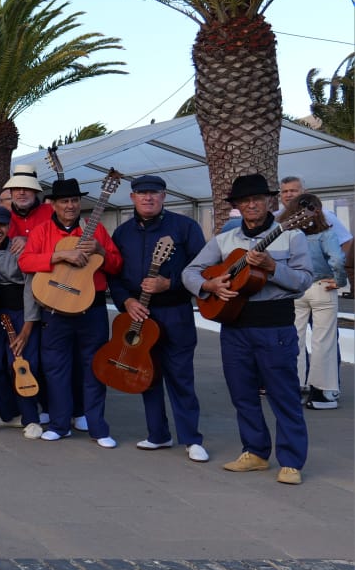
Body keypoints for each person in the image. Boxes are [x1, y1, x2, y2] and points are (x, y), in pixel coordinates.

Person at [185, 174, 313, 484]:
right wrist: (208, 285)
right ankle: (255, 452)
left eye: (257, 198)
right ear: (237, 206)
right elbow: (189, 272)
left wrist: (273, 268)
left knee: (283, 395)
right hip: (235, 327)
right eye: (244, 200)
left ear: (270, 201)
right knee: (242, 394)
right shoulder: (224, 240)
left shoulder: (292, 235)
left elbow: (304, 280)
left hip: (275, 328)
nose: (251, 204)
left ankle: (291, 461)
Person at [108, 175, 208, 461]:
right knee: (145, 374)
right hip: (139, 313)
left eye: (154, 193)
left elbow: (203, 269)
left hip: (175, 313)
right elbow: (113, 275)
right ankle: (158, 434)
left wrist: (170, 283)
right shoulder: (122, 233)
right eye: (142, 193)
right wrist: (126, 301)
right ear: (132, 198)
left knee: (180, 377)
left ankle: (191, 439)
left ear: (164, 196)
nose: (148, 198)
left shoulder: (185, 227)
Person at [18, 178, 123, 447]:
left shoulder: (95, 229)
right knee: (56, 369)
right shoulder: (41, 231)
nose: (70, 205)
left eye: (74, 200)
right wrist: (59, 256)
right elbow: (25, 262)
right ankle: (59, 424)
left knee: (94, 367)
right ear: (53, 204)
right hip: (55, 308)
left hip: (92, 308)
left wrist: (100, 250)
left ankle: (98, 427)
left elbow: (116, 265)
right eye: (64, 201)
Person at [0, 206, 44, 436]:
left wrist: (27, 327)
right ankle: (10, 414)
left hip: (23, 313)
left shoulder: (19, 249)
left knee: (22, 364)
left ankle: (31, 418)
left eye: (3, 225)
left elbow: (31, 288)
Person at [283, 193, 344, 410]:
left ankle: (296, 386)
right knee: (323, 340)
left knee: (295, 338)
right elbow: (337, 259)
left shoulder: (287, 234)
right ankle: (321, 393)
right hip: (322, 287)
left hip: (296, 288)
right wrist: (339, 281)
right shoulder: (326, 233)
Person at [280, 176, 351, 270]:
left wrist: (338, 272)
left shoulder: (324, 214)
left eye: (293, 191)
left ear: (305, 192)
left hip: (320, 276)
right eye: (284, 191)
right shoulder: (276, 217)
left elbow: (346, 242)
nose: (288, 195)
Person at [1, 164, 52, 246]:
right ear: (11, 192)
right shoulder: (4, 218)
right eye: (17, 188)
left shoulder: (52, 211)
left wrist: (29, 240)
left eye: (27, 188)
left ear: (35, 191)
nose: (22, 192)